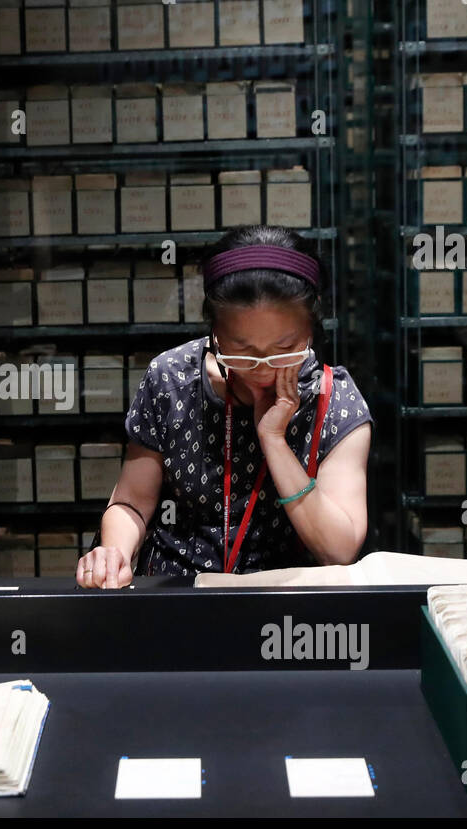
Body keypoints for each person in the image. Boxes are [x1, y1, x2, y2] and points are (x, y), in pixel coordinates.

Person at [75, 224, 374, 588]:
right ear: (214, 331)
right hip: (178, 595)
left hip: (288, 608)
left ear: (311, 329)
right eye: (242, 350)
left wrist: (274, 440)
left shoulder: (335, 402)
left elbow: (338, 550)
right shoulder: (171, 380)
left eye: (284, 349)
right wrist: (115, 551)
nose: (262, 368)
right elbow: (132, 503)